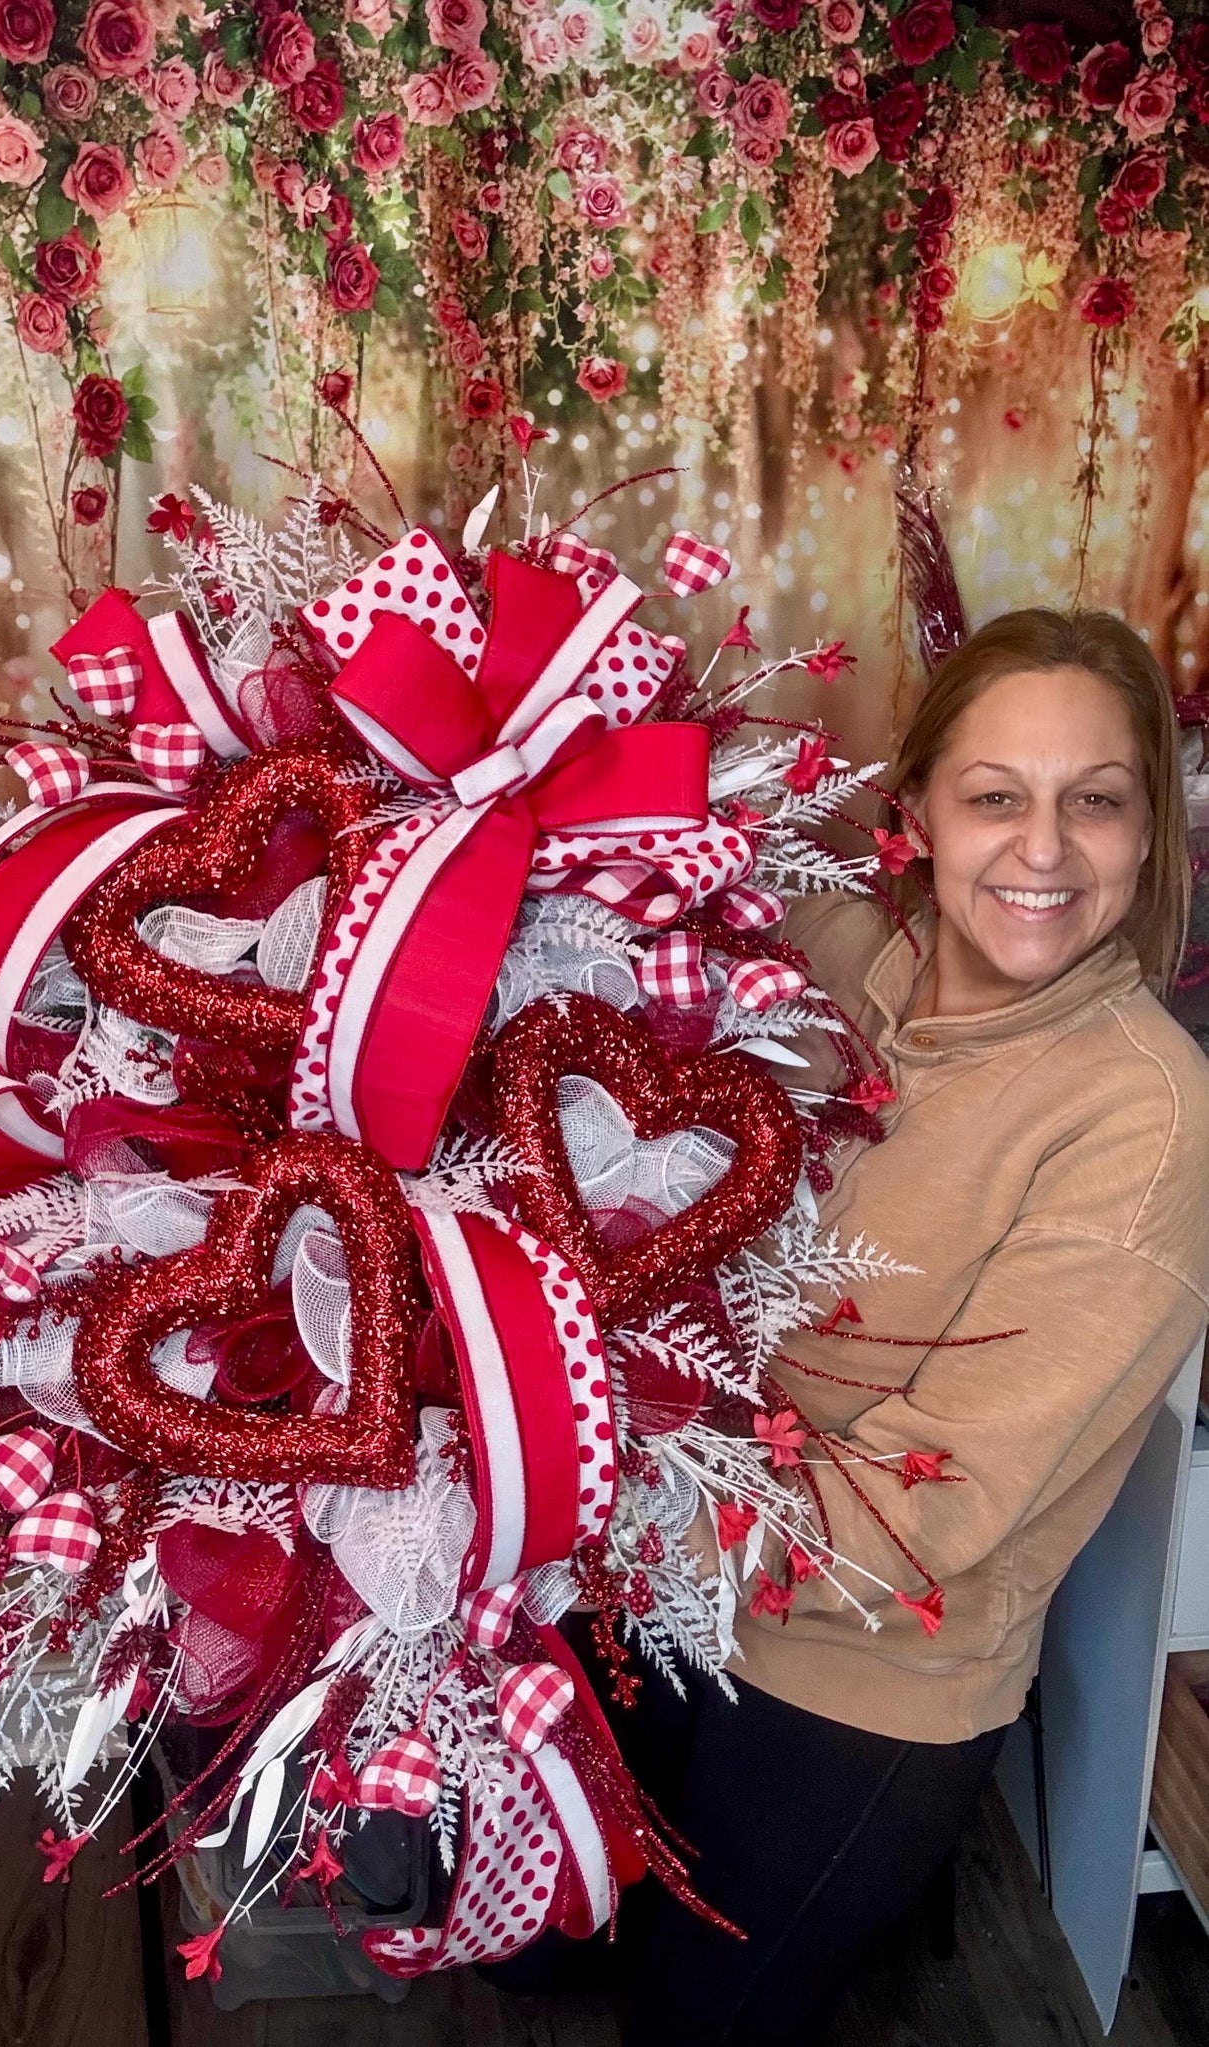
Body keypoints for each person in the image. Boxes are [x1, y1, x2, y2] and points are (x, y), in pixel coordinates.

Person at [490, 608, 1209, 2043]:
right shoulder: (835, 957)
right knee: (535, 1949)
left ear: (1148, 840)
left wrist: (568, 1500)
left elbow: (918, 1512)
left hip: (867, 1673)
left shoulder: (1142, 1119)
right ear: (918, 815)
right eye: (995, 796)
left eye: (1096, 802)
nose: (1043, 851)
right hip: (671, 1583)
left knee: (700, 2021)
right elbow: (629, 835)